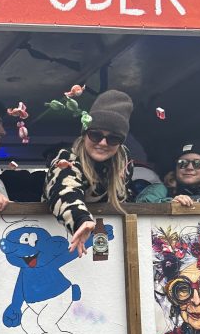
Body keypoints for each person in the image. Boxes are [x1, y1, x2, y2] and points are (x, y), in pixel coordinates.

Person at [44, 89, 134, 256]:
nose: (103, 143)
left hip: (109, 246)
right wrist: (81, 220)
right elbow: (64, 190)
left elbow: (127, 198)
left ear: (120, 143)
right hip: (58, 241)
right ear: (85, 134)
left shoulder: (124, 164)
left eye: (113, 138)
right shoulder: (67, 158)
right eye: (95, 135)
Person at [135, 140, 200, 205]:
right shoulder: (161, 189)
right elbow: (142, 204)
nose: (189, 167)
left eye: (197, 163)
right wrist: (170, 203)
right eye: (183, 163)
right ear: (175, 167)